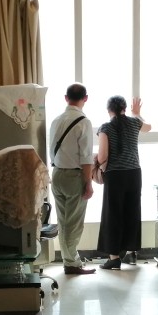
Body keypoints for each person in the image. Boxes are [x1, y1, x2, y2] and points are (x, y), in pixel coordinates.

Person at [96, 95, 151, 269]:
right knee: (131, 212)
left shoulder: (105, 127)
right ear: (124, 109)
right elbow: (148, 127)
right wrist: (137, 113)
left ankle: (114, 258)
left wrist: (95, 164)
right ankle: (130, 253)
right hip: (134, 173)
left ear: (108, 110)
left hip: (115, 175)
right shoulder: (134, 123)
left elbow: (103, 156)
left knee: (113, 215)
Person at [48, 83, 96, 275]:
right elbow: (86, 157)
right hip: (74, 176)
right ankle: (72, 263)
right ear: (85, 98)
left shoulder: (56, 120)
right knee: (74, 223)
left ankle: (69, 261)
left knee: (63, 222)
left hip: (57, 174)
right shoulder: (84, 122)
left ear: (66, 98)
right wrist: (88, 183)